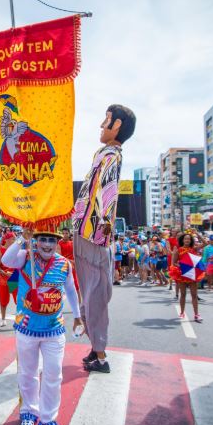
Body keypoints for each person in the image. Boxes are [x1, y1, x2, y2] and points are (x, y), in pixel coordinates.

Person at [2, 228, 83, 425]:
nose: (47, 244)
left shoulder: (64, 264)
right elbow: (6, 260)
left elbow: (72, 291)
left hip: (54, 330)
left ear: (58, 243)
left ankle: (48, 419)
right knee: (28, 373)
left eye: (51, 240)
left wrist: (77, 316)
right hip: (26, 328)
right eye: (42, 240)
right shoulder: (25, 257)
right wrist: (23, 239)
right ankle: (28, 411)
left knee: (54, 375)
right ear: (36, 241)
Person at [72, 104, 136, 374]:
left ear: (117, 125)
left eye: (107, 120)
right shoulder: (106, 153)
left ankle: (100, 354)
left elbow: (108, 191)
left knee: (95, 294)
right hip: (88, 231)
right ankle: (95, 349)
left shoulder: (110, 153)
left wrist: (102, 230)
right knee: (90, 293)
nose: (101, 124)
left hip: (92, 234)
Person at [170, 233, 204, 323]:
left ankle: (196, 314)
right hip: (182, 274)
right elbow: (174, 263)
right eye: (185, 239)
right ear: (182, 240)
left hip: (192, 274)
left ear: (191, 240)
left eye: (189, 239)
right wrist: (182, 266)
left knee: (194, 295)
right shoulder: (179, 250)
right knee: (183, 294)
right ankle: (182, 312)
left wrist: (197, 233)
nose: (187, 240)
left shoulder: (194, 249)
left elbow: (205, 243)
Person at [0, 230, 18, 328]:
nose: (15, 240)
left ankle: (19, 320)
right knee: (3, 300)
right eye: (13, 238)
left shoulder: (17, 250)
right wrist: (5, 273)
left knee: (18, 301)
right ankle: (3, 320)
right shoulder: (0, 251)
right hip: (4, 279)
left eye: (15, 238)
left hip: (14, 278)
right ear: (7, 240)